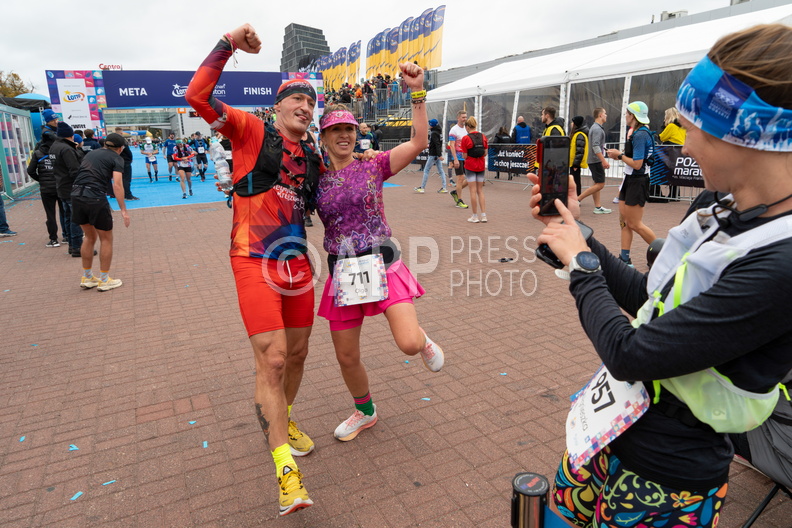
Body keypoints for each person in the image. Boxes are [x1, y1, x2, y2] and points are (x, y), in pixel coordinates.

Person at [531, 23, 792, 528]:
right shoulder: (721, 207)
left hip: (668, 475)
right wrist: (577, 235)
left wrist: (582, 267)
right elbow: (650, 296)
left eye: (693, 129)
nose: (684, 146)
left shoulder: (781, 261)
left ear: (747, 135)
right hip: (610, 430)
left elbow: (632, 354)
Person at [186, 23, 323, 517]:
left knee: (299, 354)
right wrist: (227, 44)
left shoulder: (312, 154)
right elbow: (197, 97)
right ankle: (286, 473)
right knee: (274, 360)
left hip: (297, 265)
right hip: (252, 258)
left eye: (310, 102)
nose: (305, 107)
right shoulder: (251, 129)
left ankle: (282, 416)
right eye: (297, 99)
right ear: (278, 105)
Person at [314, 64, 445, 446]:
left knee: (408, 344)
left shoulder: (373, 165)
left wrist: (417, 92)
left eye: (349, 128)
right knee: (346, 356)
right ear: (324, 136)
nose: (344, 135)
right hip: (344, 271)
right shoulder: (314, 178)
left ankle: (424, 340)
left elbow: (419, 141)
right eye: (335, 130)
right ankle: (365, 411)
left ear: (357, 133)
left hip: (382, 262)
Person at [71, 133, 130, 292]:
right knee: (106, 239)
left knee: (89, 237)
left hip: (76, 195)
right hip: (95, 197)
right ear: (120, 148)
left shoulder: (91, 154)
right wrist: (123, 210)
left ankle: (87, 277)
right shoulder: (117, 158)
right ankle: (104, 280)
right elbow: (117, 185)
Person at [606, 101, 657, 266]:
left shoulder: (641, 134)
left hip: (637, 180)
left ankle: (665, 252)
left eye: (627, 114)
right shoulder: (637, 132)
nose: (625, 116)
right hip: (630, 179)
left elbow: (637, 164)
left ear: (633, 116)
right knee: (624, 222)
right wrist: (619, 156)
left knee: (635, 224)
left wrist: (619, 155)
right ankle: (625, 258)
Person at [50, 122, 84, 257]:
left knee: (68, 217)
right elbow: (75, 170)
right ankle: (77, 246)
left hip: (61, 186)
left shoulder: (54, 147)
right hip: (71, 187)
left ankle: (72, 245)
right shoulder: (66, 149)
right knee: (76, 218)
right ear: (70, 135)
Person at [28, 131, 62, 246]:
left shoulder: (38, 153)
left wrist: (41, 180)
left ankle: (53, 239)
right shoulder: (59, 152)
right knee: (65, 212)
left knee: (50, 214)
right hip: (60, 186)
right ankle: (67, 236)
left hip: (46, 189)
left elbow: (30, 170)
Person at [578, 108, 612, 214]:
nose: (606, 115)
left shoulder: (595, 127)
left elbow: (597, 145)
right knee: (600, 184)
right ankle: (577, 199)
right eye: (605, 113)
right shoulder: (597, 129)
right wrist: (603, 160)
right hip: (595, 160)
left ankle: (597, 207)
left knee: (597, 183)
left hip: (594, 160)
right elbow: (595, 146)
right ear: (600, 115)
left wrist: (605, 150)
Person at [459, 116, 488, 223]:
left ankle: (475, 216)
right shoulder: (483, 136)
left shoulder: (465, 138)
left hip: (470, 165)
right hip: (481, 165)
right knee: (480, 191)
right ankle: (484, 215)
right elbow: (485, 152)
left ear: (467, 127)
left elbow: (465, 155)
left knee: (472, 191)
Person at [659, 107, 687, 200]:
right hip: (680, 151)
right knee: (675, 173)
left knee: (669, 172)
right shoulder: (683, 127)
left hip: (671, 152)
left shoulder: (671, 126)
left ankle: (669, 194)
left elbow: (662, 137)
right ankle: (675, 194)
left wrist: (663, 126)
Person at [415, 118, 447, 193]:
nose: (429, 125)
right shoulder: (439, 132)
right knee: (441, 171)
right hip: (436, 154)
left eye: (430, 124)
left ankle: (422, 187)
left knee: (426, 170)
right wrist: (430, 146)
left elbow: (437, 144)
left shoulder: (433, 133)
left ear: (432, 125)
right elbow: (437, 143)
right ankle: (444, 187)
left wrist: (439, 155)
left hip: (433, 154)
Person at [448, 110, 469, 208]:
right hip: (458, 157)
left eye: (466, 117)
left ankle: (455, 192)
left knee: (470, 178)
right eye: (463, 117)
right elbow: (452, 145)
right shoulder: (454, 130)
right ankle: (459, 201)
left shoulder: (467, 129)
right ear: (458, 118)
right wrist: (455, 159)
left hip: (466, 157)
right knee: (460, 178)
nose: (465, 119)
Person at [114, 128, 138, 201]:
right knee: (126, 179)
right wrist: (130, 159)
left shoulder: (113, 142)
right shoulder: (122, 141)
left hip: (117, 161)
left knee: (120, 179)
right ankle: (128, 195)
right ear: (120, 133)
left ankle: (122, 194)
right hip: (125, 161)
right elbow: (127, 151)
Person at [568, 116, 589, 197]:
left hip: (575, 163)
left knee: (575, 181)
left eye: (573, 122)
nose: (571, 124)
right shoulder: (577, 134)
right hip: (573, 162)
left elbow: (580, 150)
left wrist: (576, 164)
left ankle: (577, 197)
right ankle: (576, 196)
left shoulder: (579, 135)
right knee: (574, 180)